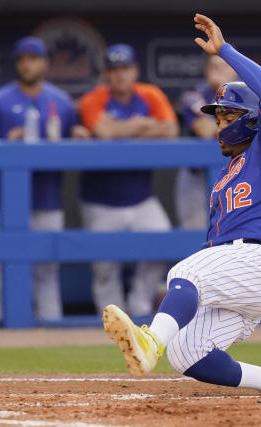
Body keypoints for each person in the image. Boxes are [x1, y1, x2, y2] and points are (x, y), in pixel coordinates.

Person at [101, 14, 261, 396]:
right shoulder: (226, 174)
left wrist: (225, 51)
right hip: (236, 271)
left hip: (258, 262)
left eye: (228, 115)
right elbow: (214, 244)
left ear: (250, 120)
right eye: (218, 116)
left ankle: (149, 342)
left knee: (184, 271)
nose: (219, 124)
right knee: (186, 353)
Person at [0, 36, 81, 320]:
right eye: (23, 59)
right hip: (8, 202)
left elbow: (74, 139)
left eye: (34, 58)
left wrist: (77, 134)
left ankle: (52, 332)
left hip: (48, 196)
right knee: (2, 268)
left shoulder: (61, 100)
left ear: (45, 63)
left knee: (47, 270)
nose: (28, 64)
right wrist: (5, 140)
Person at [77, 43, 177, 316]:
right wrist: (141, 124)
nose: (120, 74)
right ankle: (110, 318)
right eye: (114, 69)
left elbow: (170, 130)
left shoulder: (150, 95)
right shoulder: (93, 99)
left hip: (141, 196)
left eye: (125, 68)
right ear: (106, 74)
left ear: (135, 71)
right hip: (100, 200)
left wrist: (124, 128)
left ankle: (140, 304)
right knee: (105, 267)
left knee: (161, 240)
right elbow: (103, 132)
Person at [176, 55, 238, 229]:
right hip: (197, 178)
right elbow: (206, 130)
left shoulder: (249, 96)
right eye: (214, 67)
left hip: (235, 178)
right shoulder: (193, 97)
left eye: (225, 66)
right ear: (207, 72)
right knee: (195, 235)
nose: (219, 71)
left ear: (235, 71)